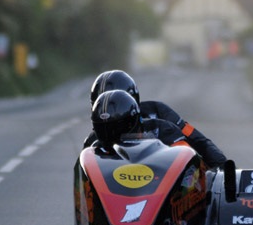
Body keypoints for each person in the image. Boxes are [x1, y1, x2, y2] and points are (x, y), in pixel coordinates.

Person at [89, 89, 237, 202]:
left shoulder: (162, 125)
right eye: (104, 128)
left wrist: (221, 168)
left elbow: (191, 153)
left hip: (162, 184)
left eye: (118, 126)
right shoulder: (92, 144)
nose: (111, 134)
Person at [87, 69, 227, 169]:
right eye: (101, 101)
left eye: (119, 99)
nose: (109, 107)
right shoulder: (92, 140)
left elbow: (196, 140)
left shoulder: (159, 115)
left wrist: (222, 169)